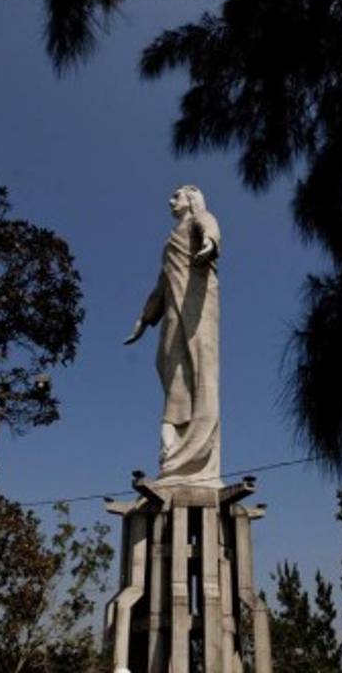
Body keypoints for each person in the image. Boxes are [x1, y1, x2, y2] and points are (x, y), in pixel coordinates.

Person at [124, 185, 222, 484]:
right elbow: (161, 284)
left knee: (201, 369)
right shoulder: (171, 240)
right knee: (170, 370)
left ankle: (198, 458)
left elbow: (210, 226)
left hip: (198, 304)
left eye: (176, 195)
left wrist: (210, 243)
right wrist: (144, 318)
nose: (170, 200)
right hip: (171, 314)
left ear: (191, 200)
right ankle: (172, 451)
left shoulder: (199, 218)